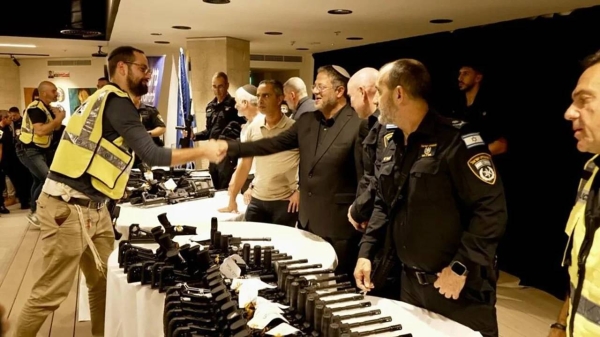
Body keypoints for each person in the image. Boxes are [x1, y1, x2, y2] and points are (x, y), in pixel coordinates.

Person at [13, 46, 224, 337]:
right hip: (68, 207)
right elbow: (151, 153)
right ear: (122, 68)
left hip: (93, 207)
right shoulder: (116, 101)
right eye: (142, 67)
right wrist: (204, 151)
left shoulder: (101, 101)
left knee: (102, 283)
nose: (147, 73)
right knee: (50, 293)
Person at [353, 59, 507, 337]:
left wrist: (461, 267)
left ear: (399, 94)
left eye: (379, 91)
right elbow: (384, 204)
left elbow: (491, 211)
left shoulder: (457, 141)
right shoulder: (393, 142)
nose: (375, 99)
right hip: (410, 285)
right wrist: (366, 252)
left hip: (457, 288)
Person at [217, 65, 368, 276]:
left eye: (320, 86)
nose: (314, 90)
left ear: (339, 91)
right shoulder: (307, 121)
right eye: (314, 85)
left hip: (339, 226)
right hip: (308, 223)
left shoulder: (358, 124)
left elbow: (365, 178)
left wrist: (361, 211)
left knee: (337, 287)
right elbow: (272, 144)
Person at [548, 50, 600, 337]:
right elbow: (580, 266)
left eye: (584, 100)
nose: (569, 112)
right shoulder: (592, 173)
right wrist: (561, 323)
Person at [223, 80, 299, 227]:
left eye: (266, 96)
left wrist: (300, 192)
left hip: (284, 202)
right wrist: (232, 197)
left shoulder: (294, 129)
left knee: (281, 247)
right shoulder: (253, 128)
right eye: (258, 96)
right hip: (257, 200)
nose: (260, 101)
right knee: (251, 244)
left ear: (279, 99)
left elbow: (309, 165)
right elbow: (244, 166)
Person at [16, 81, 65, 226]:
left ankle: (34, 211)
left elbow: (54, 129)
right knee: (47, 179)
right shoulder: (36, 109)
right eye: (53, 90)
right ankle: (36, 212)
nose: (56, 93)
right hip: (29, 149)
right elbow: (41, 130)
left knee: (38, 180)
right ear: (43, 93)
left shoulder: (47, 109)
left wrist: (57, 120)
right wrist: (58, 119)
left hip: (39, 149)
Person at [190, 72, 246, 189]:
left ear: (227, 86)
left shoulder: (234, 105)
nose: (217, 90)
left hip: (227, 155)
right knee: (214, 187)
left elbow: (243, 130)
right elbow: (209, 131)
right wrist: (195, 136)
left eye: (220, 86)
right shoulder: (211, 106)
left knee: (225, 188)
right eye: (214, 86)